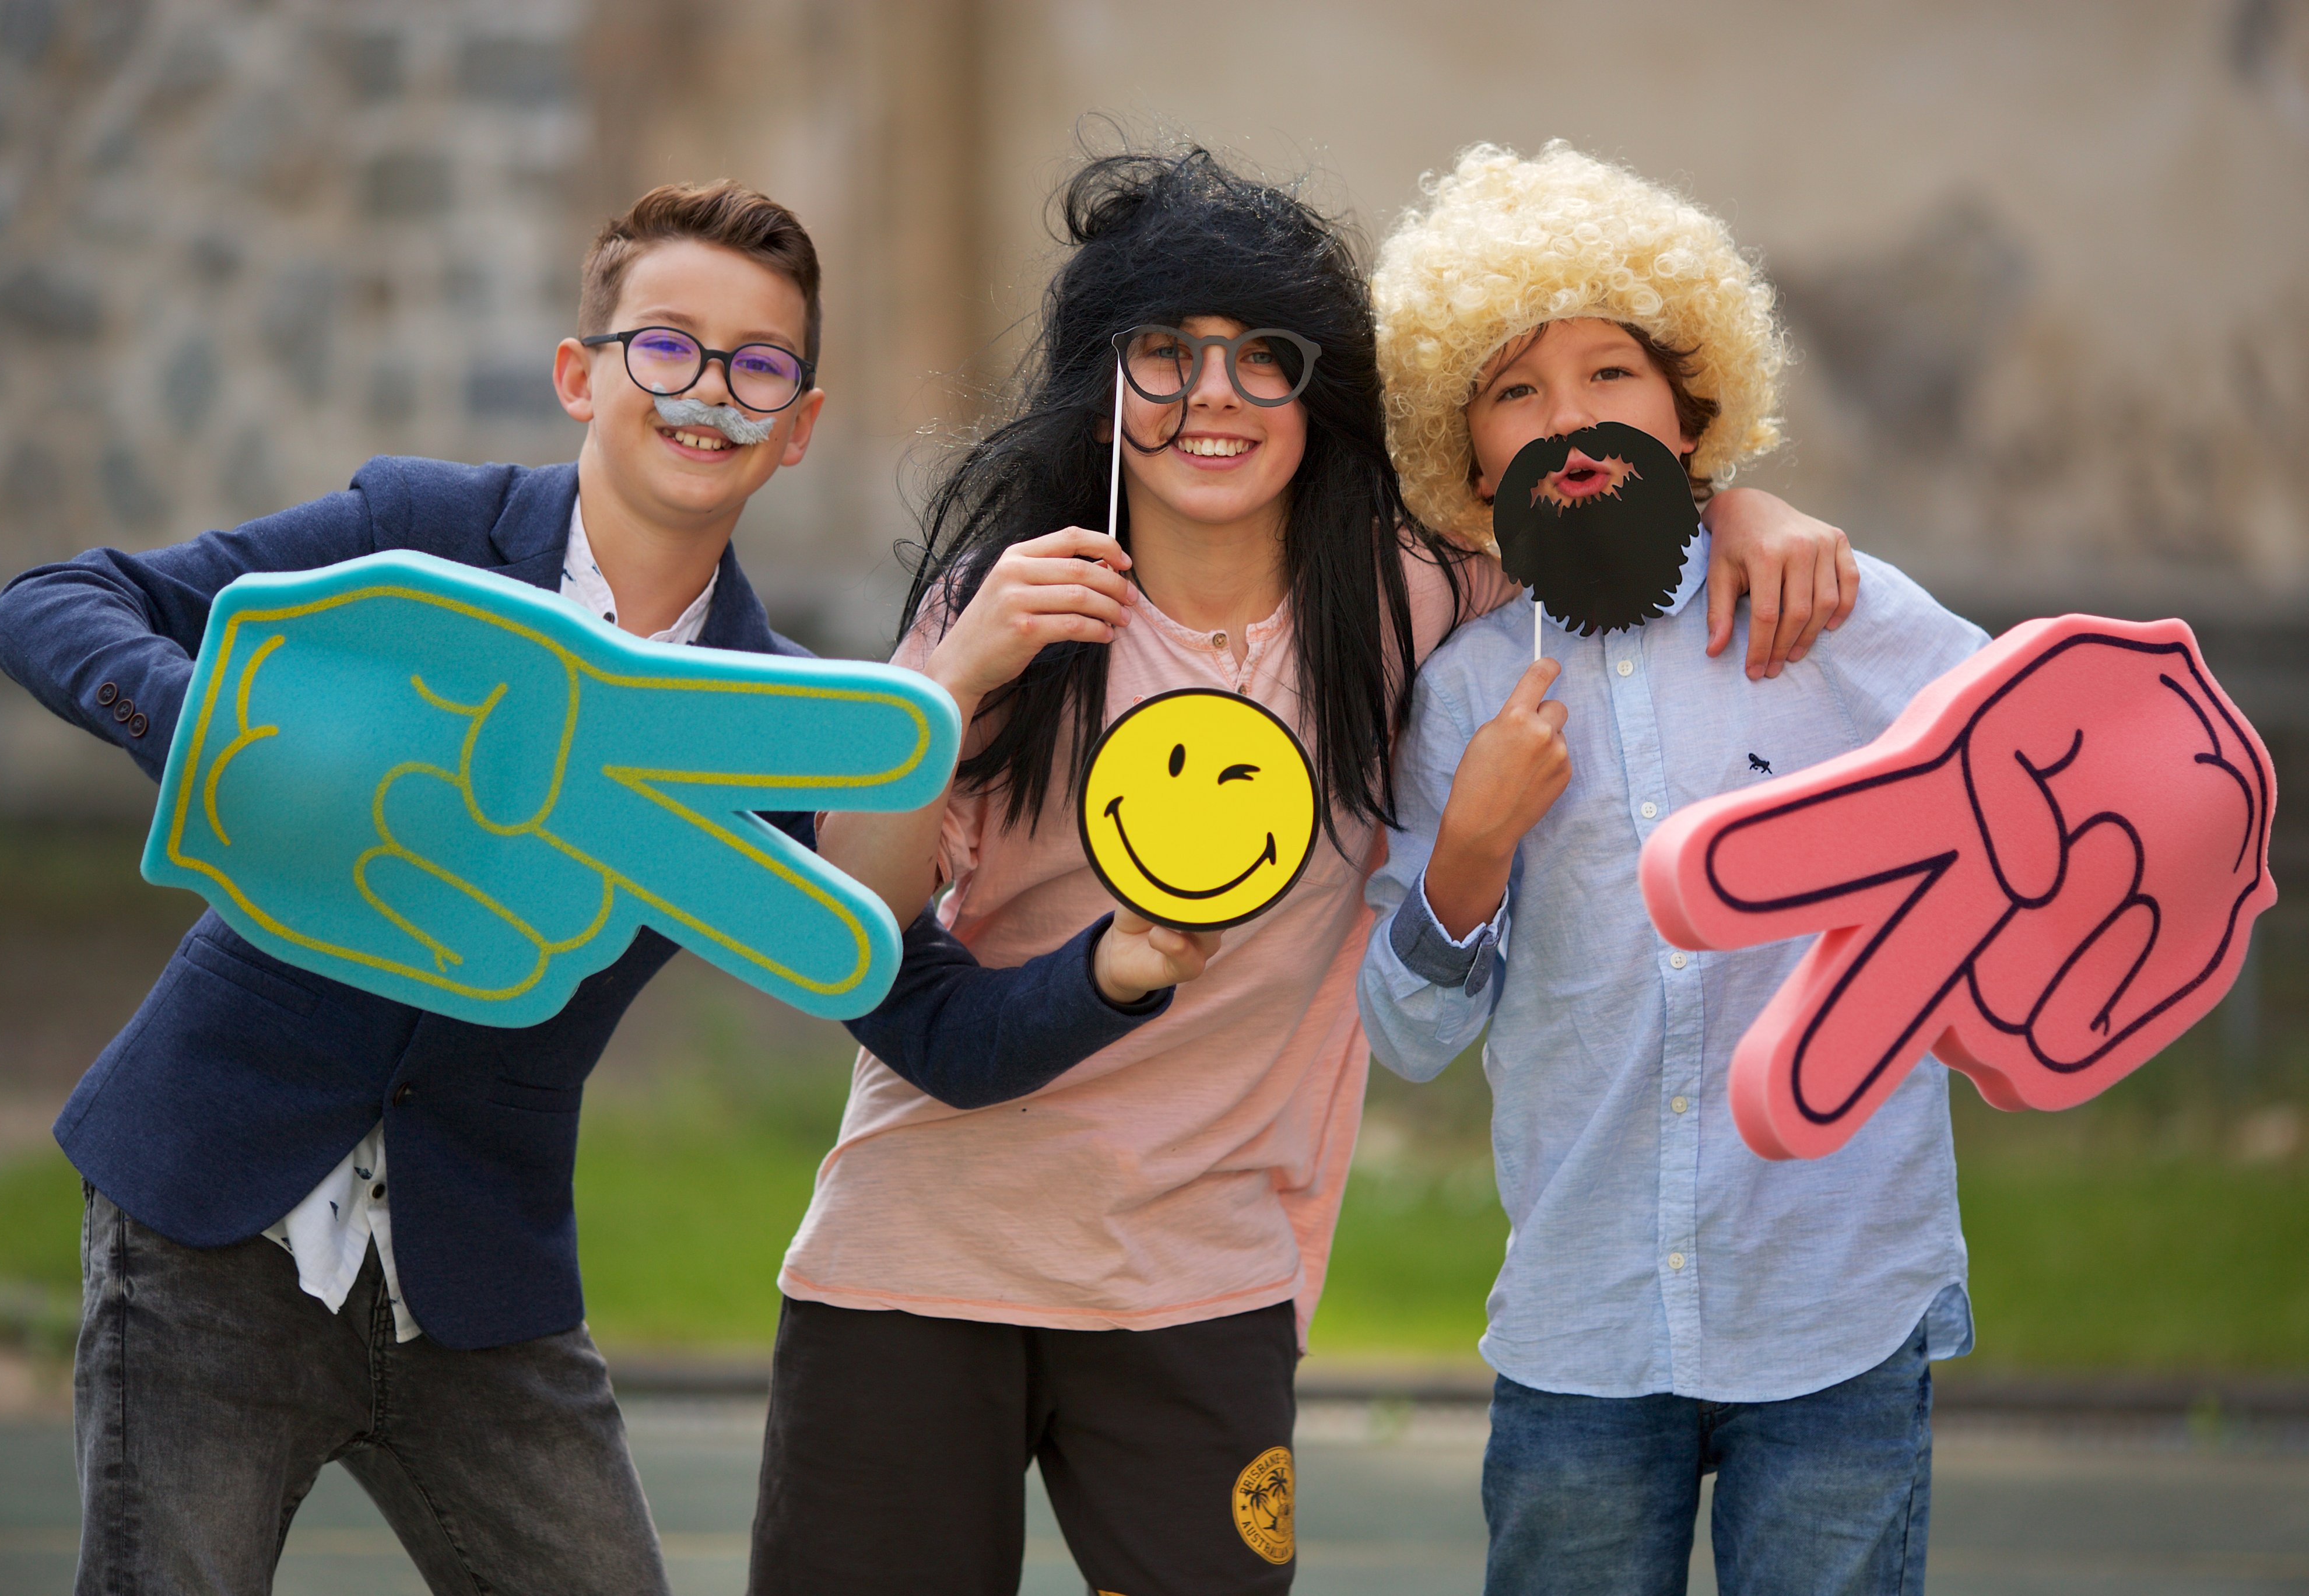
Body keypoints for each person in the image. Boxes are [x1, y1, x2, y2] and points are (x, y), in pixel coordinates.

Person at [0, 175, 1204, 1596]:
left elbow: (914, 1007)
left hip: (478, 1281)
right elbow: (51, 603)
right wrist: (232, 740)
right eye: (666, 346)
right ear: (580, 374)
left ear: (801, 425)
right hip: (207, 1212)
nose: (709, 392)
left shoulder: (775, 720)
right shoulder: (420, 535)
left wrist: (1115, 969)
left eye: (759, 367)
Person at [754, 145, 1859, 1596]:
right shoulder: (1010, 605)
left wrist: (1735, 507)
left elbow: (1594, 499)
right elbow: (855, 915)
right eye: (1164, 353)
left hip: (1205, 1280)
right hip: (913, 1260)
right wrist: (951, 681)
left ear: (1317, 388)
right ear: (1103, 385)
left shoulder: (1411, 597)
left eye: (1260, 356)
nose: (1211, 396)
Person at [1359, 142, 1988, 1595]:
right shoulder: (1461, 696)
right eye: (1514, 390)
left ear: (1691, 408)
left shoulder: (1829, 607)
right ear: (1467, 459)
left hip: (1836, 1299)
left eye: (1611, 372)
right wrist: (1470, 849)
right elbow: (1404, 1032)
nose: (1568, 417)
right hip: (1584, 1327)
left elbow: (2033, 768)